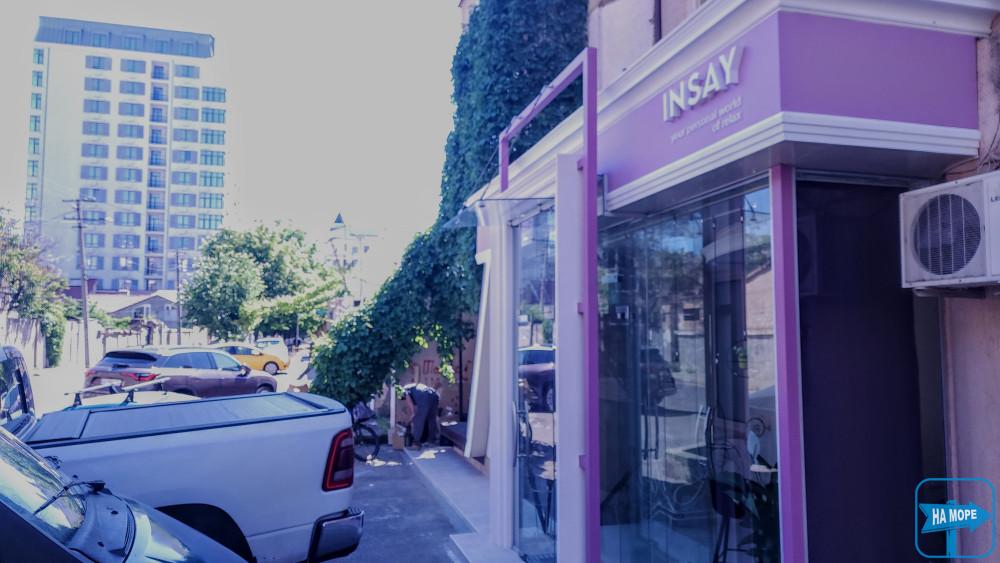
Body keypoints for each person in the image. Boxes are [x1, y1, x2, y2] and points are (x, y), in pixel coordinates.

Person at [403, 382, 439, 449]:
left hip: (424, 396)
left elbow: (409, 402)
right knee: (431, 419)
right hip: (434, 394)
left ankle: (416, 443)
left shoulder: (405, 389)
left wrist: (412, 414)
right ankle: (432, 441)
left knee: (418, 420)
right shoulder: (414, 387)